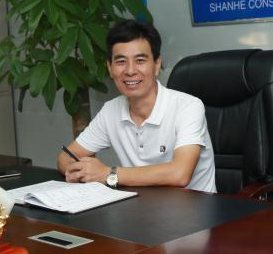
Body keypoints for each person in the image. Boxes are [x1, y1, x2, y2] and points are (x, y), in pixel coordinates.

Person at [57, 20, 216, 193]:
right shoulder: (111, 110)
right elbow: (65, 157)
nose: (130, 71)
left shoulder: (188, 107)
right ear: (110, 68)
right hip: (139, 205)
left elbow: (180, 174)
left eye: (140, 60)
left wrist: (108, 174)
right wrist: (80, 171)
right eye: (121, 62)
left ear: (156, 65)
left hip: (195, 207)